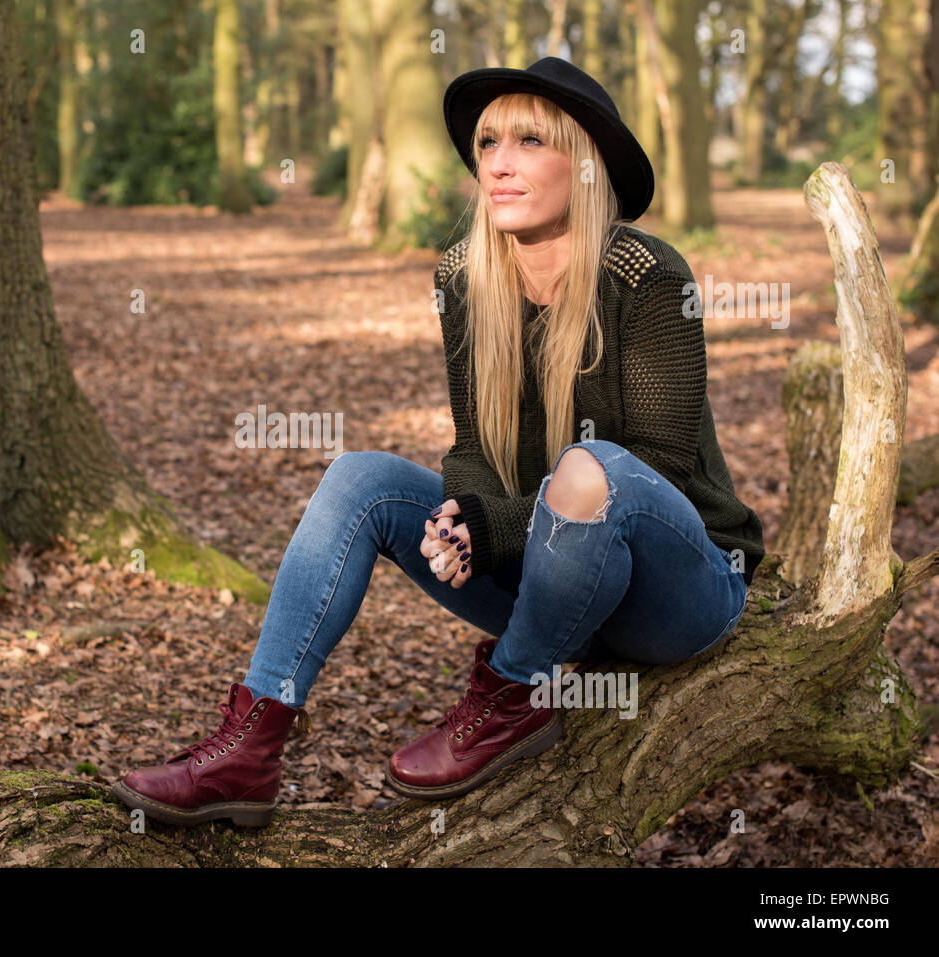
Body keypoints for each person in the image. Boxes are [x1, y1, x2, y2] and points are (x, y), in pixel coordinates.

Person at [111, 57, 765, 827]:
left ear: (586, 167)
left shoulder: (646, 277)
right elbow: (473, 448)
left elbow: (660, 465)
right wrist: (465, 516)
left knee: (594, 468)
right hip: (552, 580)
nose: (500, 163)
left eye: (529, 141)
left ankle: (515, 695)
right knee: (361, 477)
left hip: (676, 593)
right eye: (488, 144)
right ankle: (252, 743)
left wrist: (498, 529)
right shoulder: (465, 277)